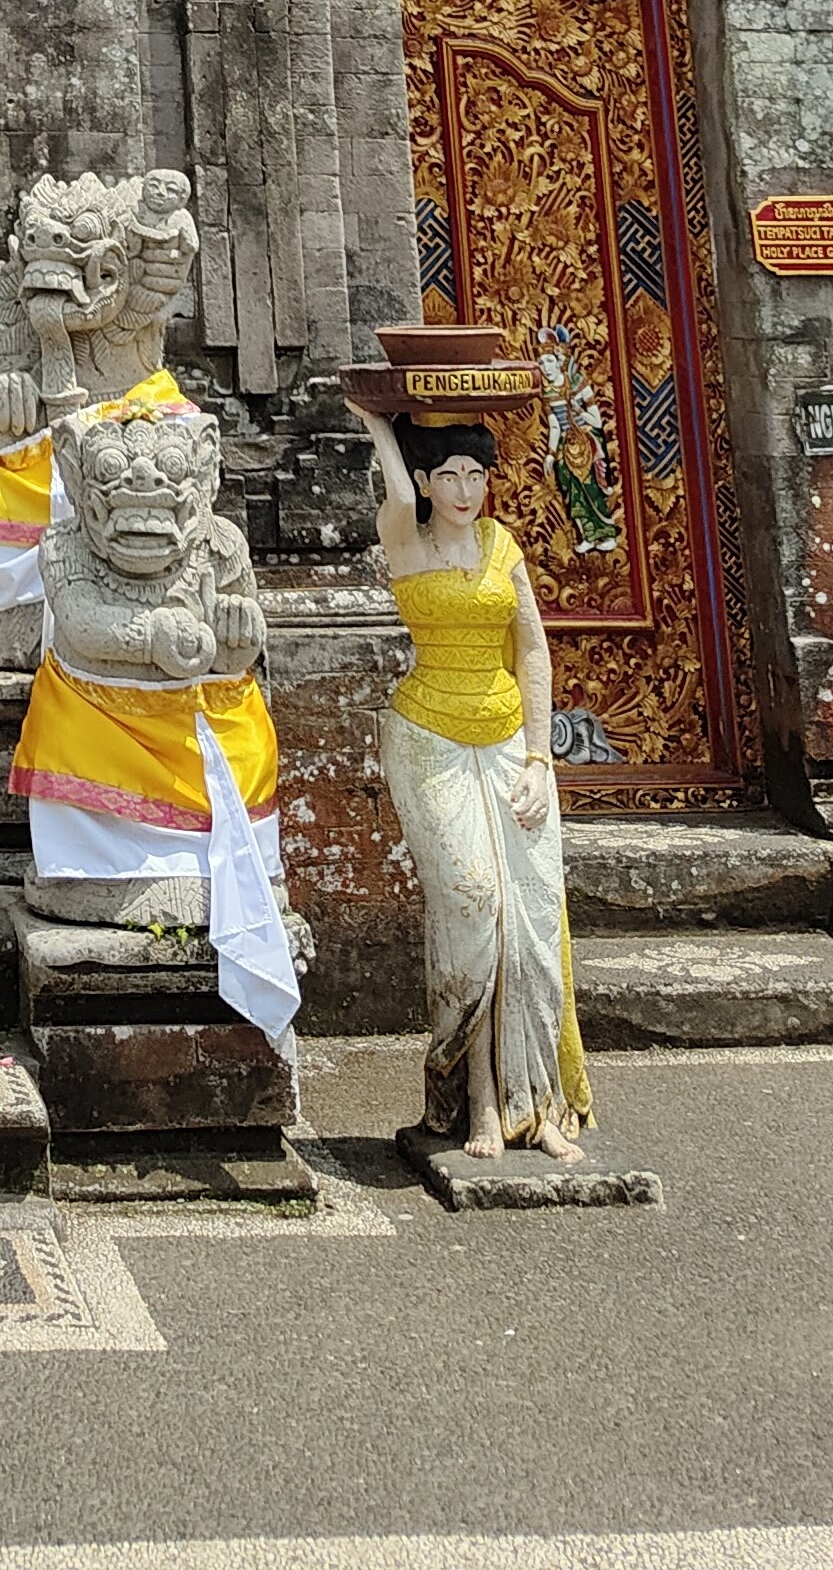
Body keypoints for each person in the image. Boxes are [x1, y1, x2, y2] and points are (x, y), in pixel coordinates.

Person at [341, 391, 594, 1158]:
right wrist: (379, 422)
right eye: (447, 475)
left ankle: (536, 1104)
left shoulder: (502, 546)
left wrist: (542, 759)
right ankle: (477, 1100)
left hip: (509, 739)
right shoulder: (405, 539)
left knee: (534, 915)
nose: (462, 490)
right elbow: (391, 489)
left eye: (474, 475)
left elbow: (535, 651)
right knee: (475, 906)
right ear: (425, 484)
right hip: (428, 740)